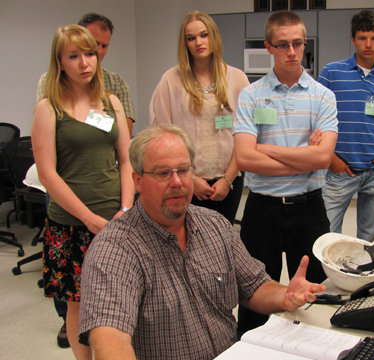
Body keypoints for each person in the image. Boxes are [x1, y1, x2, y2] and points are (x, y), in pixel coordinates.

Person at [78, 124, 326, 360]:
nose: (176, 182)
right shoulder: (116, 249)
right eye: (163, 173)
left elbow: (254, 286)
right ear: (138, 180)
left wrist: (285, 296)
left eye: (183, 170)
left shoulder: (214, 225)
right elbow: (111, 339)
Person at [31, 24, 135, 360]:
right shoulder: (49, 108)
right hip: (72, 224)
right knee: (78, 302)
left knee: (123, 297)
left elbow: (126, 161)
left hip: (117, 220)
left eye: (89, 53)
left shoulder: (110, 102)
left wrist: (126, 209)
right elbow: (47, 173)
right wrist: (89, 218)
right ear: (60, 61)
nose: (84, 62)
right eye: (74, 56)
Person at [233, 10, 338, 333]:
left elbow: (322, 158)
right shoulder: (251, 95)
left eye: (297, 43)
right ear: (268, 47)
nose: (291, 52)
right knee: (254, 295)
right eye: (282, 45)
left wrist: (264, 148)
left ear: (305, 43)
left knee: (313, 294)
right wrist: (302, 153)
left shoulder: (323, 96)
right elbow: (245, 160)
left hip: (309, 209)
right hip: (262, 210)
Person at [149, 11, 249, 225]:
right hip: (185, 182)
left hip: (227, 182)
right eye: (191, 38)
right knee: (188, 243)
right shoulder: (171, 80)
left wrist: (228, 180)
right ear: (184, 43)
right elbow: (162, 135)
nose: (198, 42)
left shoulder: (236, 78)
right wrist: (191, 179)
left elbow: (246, 135)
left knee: (222, 241)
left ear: (213, 36)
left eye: (204, 35)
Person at [317, 10, 374, 242]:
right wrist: (330, 158)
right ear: (353, 39)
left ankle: (363, 279)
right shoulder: (331, 72)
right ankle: (326, 280)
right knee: (326, 235)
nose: (368, 44)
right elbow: (314, 120)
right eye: (362, 38)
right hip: (339, 171)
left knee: (370, 241)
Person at [37, 12, 136, 137]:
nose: (100, 51)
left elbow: (123, 135)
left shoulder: (116, 84)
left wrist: (89, 119)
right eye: (95, 44)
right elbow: (49, 128)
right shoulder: (49, 82)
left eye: (104, 46)